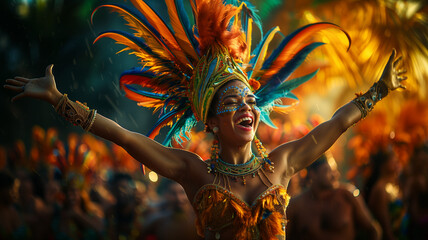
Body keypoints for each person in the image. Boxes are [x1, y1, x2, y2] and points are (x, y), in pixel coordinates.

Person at [4, 0, 407, 239]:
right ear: (211, 121)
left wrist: (380, 89)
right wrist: (60, 101)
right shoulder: (193, 173)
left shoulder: (281, 164)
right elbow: (125, 138)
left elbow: (335, 124)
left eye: (251, 100)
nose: (248, 106)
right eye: (233, 101)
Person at [286, 155, 380, 240]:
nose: (335, 175)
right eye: (328, 171)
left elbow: (373, 229)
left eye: (335, 170)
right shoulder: (296, 205)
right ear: (313, 174)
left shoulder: (347, 195)